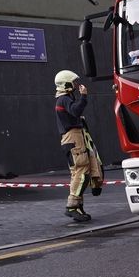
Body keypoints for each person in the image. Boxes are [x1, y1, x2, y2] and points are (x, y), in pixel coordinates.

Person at [54, 70, 103, 222]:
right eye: (73, 82)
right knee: (81, 171)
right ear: (66, 84)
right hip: (73, 137)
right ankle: (72, 206)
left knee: (82, 172)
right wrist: (84, 97)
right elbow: (75, 111)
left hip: (75, 137)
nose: (76, 85)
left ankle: (78, 207)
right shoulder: (63, 99)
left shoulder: (65, 98)